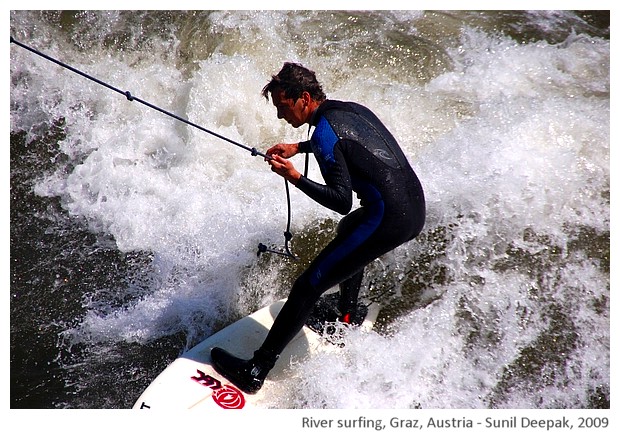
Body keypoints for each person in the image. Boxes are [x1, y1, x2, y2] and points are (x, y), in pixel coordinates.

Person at [211, 62, 425, 394]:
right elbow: (349, 143)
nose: (282, 118)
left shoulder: (324, 135)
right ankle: (348, 312)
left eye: (283, 107)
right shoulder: (349, 110)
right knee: (350, 229)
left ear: (304, 98)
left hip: (388, 217)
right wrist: (299, 146)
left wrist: (294, 176)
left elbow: (341, 199)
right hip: (413, 207)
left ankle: (256, 370)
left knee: (307, 286)